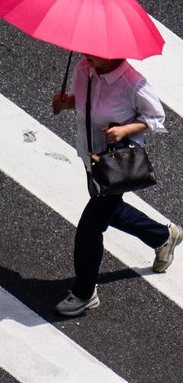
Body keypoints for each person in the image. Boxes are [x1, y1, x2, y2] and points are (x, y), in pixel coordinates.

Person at [52, 53, 182, 317]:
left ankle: (85, 292)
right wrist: (68, 104)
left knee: (89, 228)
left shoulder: (132, 83)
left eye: (94, 52)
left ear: (113, 54)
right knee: (111, 211)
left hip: (116, 162)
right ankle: (162, 236)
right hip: (91, 156)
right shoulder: (84, 69)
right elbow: (88, 104)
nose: (86, 55)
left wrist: (124, 131)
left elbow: (156, 117)